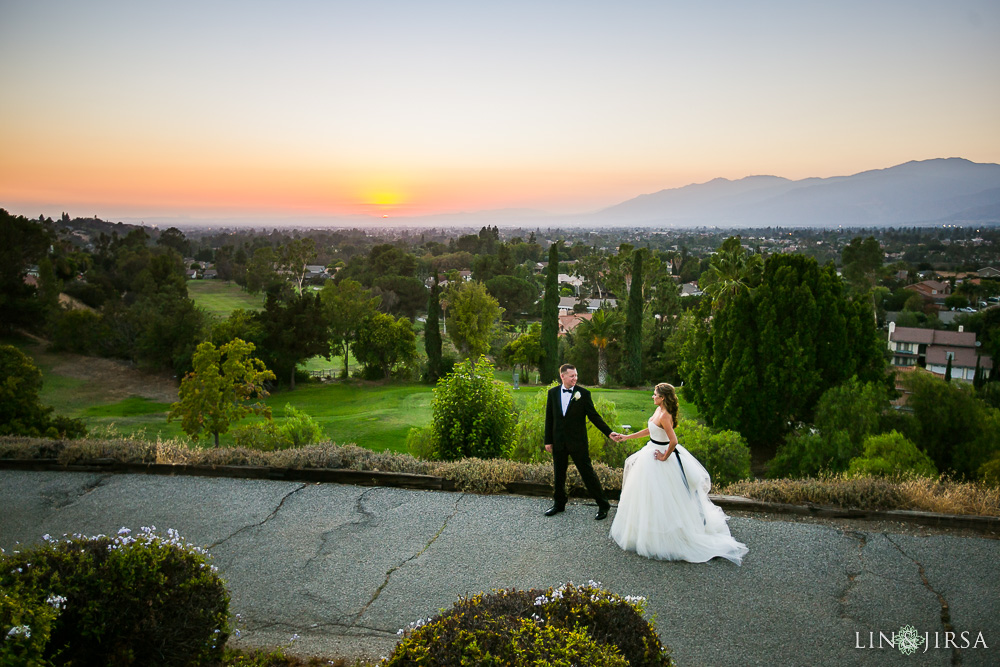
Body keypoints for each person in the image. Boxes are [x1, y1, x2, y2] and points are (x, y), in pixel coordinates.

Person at [609, 383, 748, 564]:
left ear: (663, 397)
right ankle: (648, 532)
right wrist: (626, 436)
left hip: (661, 457)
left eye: (655, 394)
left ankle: (669, 538)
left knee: (666, 499)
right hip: (651, 451)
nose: (652, 396)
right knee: (649, 497)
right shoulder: (658, 411)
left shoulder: (666, 416)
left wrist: (665, 457)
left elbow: (673, 440)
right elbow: (650, 430)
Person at [544, 364, 623, 520]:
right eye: (572, 376)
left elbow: (594, 416)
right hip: (558, 441)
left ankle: (603, 505)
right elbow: (549, 418)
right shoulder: (552, 393)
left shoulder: (583, 394)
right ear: (563, 377)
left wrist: (609, 432)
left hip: (578, 442)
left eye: (576, 375)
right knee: (559, 474)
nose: (575, 378)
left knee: (588, 474)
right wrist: (548, 440)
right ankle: (559, 504)